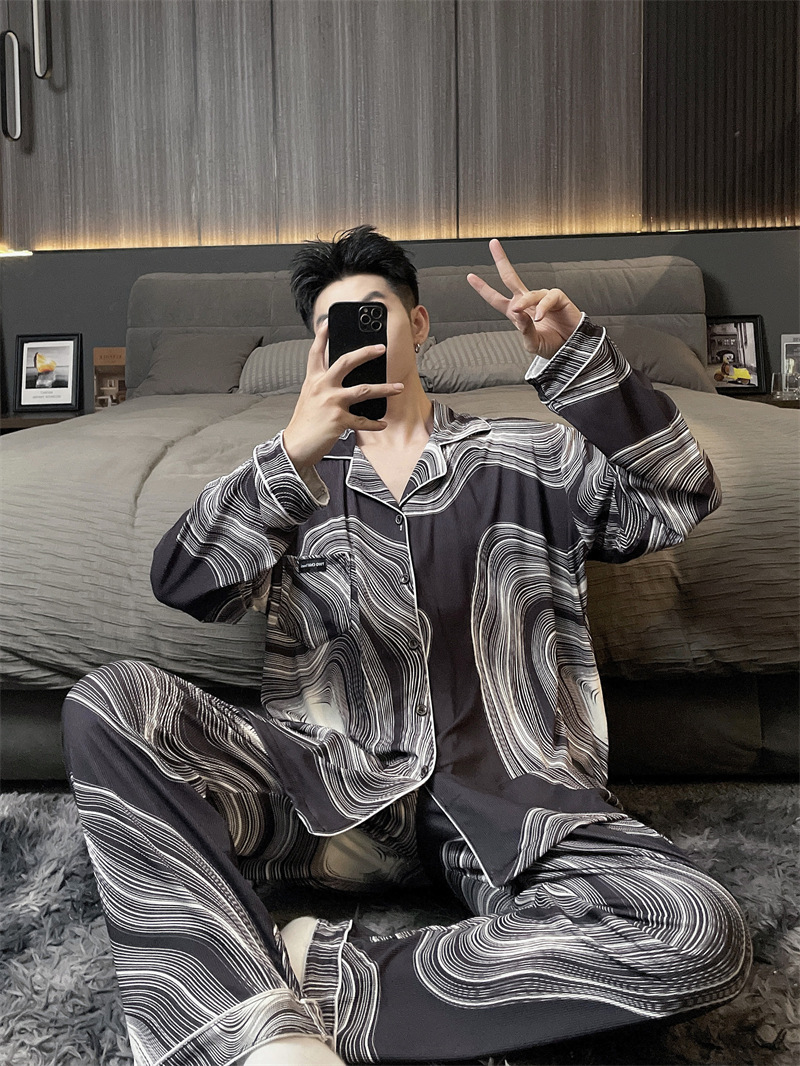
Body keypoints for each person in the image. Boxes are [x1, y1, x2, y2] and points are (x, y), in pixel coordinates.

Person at [62, 227, 751, 1066]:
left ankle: (312, 981)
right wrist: (292, 450)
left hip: (516, 797)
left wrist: (579, 358)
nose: (355, 338)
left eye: (373, 315)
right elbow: (184, 583)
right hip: (329, 795)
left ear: (418, 326)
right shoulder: (292, 480)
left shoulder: (528, 454)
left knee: (695, 928)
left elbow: (680, 495)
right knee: (108, 703)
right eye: (332, 327)